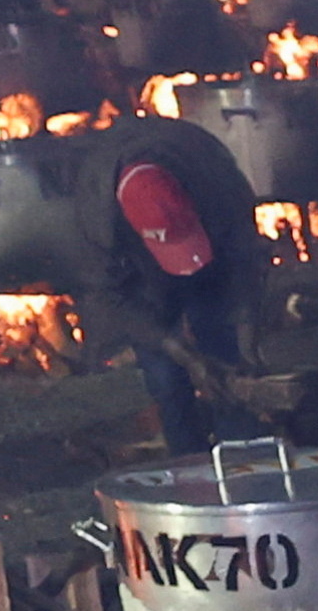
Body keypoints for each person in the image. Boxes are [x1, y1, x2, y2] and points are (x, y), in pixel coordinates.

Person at [98, 106, 264, 448]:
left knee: (225, 354)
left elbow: (245, 259)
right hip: (140, 272)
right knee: (166, 376)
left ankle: (244, 455)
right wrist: (182, 354)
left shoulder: (214, 180)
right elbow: (113, 298)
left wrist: (247, 338)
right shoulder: (96, 218)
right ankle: (187, 463)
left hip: (212, 236)